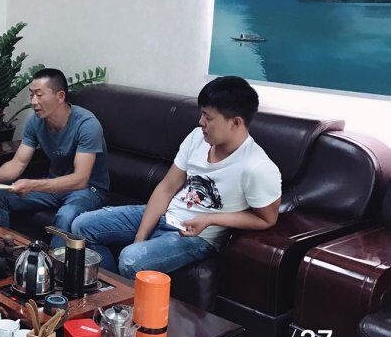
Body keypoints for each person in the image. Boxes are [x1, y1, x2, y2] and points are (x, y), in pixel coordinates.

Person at [71, 76, 282, 279]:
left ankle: (119, 293)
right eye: (202, 114)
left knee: (131, 259)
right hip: (167, 215)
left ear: (235, 122)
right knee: (82, 226)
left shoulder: (256, 167)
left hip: (198, 238)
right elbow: (167, 187)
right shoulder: (197, 138)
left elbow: (267, 219)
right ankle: (111, 290)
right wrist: (140, 237)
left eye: (208, 117)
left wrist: (211, 219)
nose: (201, 122)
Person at [0, 68, 110, 247]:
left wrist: (34, 185)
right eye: (31, 95)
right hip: (54, 186)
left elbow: (80, 179)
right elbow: (18, 163)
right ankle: (1, 251)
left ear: (60, 96)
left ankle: (55, 264)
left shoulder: (87, 125)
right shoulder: (35, 121)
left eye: (39, 95)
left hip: (88, 190)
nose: (33, 102)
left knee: (66, 215)